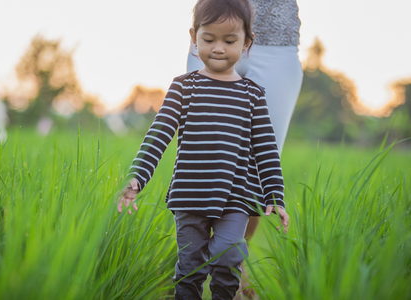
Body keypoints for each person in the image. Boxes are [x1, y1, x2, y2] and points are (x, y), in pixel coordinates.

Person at [117, 0, 289, 299]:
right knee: (190, 268)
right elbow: (158, 135)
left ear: (247, 43)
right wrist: (137, 178)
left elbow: (266, 149)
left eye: (230, 40)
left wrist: (275, 194)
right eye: (208, 39)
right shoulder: (183, 87)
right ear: (194, 38)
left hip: (235, 197)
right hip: (189, 195)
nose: (218, 48)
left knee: (227, 254)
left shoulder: (253, 96)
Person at [187, 1, 302, 298]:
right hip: (213, 26)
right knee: (205, 153)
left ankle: (233, 263)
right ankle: (194, 260)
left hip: (277, 43)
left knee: (259, 160)